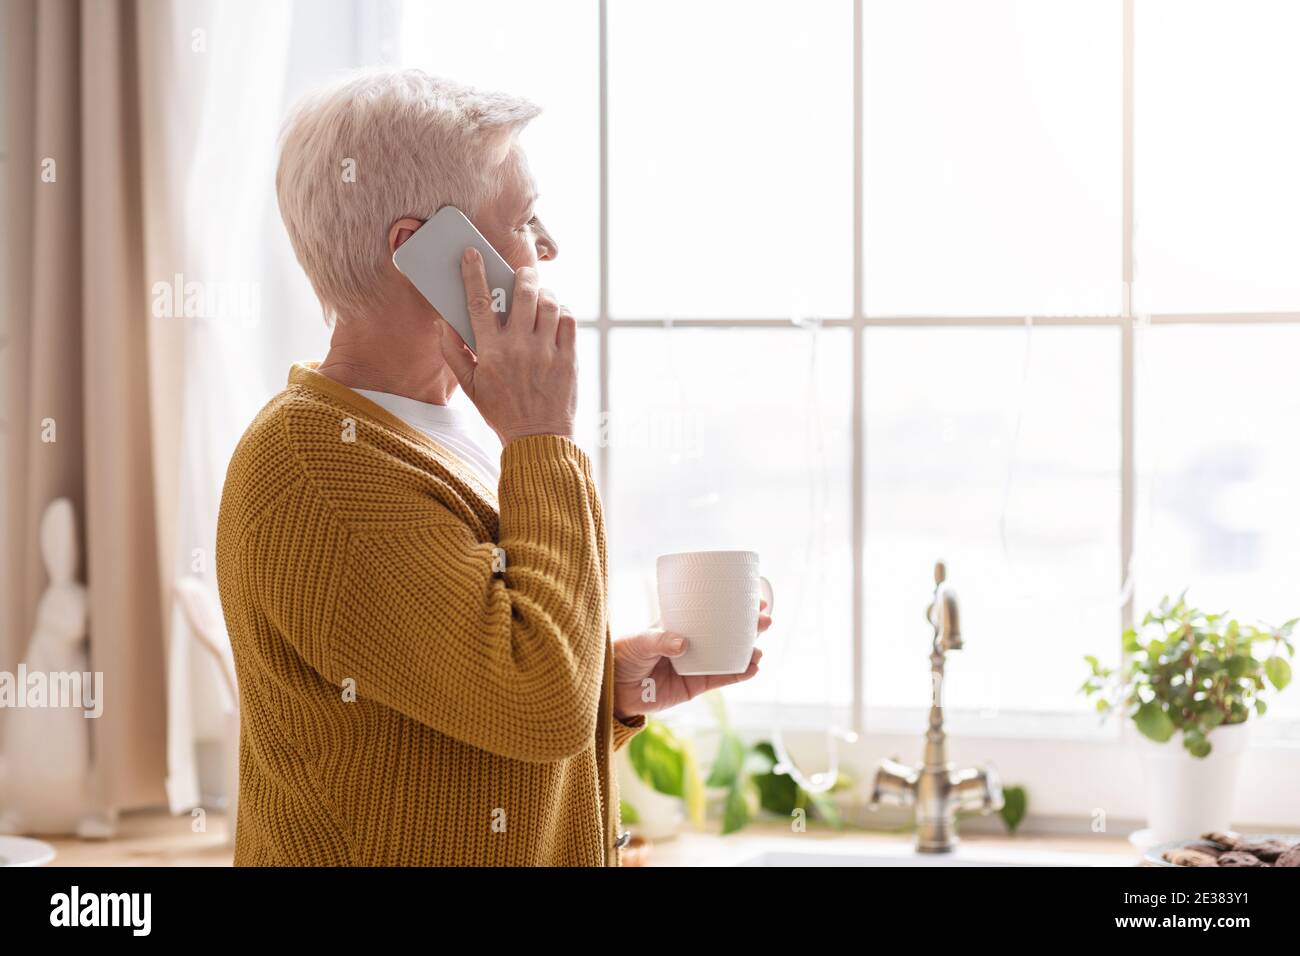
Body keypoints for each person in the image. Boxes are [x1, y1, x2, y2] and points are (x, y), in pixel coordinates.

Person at [215, 69, 771, 866]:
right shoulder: (314, 468)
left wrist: (606, 690)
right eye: (525, 218)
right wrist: (543, 434)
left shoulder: (435, 436)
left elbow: (478, 698)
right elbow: (535, 702)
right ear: (422, 256)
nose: (548, 248)